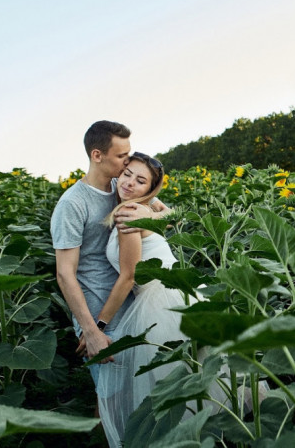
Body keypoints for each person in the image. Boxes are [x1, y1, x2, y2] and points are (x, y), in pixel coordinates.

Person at [50, 121, 167, 437]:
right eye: (121, 156)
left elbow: (165, 210)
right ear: (97, 155)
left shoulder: (122, 187)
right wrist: (92, 330)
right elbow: (65, 273)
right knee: (111, 397)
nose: (127, 163)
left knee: (140, 394)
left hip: (133, 308)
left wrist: (150, 217)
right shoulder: (73, 204)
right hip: (99, 315)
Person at [94, 152, 202, 446]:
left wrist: (99, 325)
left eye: (140, 181)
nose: (129, 183)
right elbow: (168, 213)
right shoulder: (141, 209)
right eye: (128, 174)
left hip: (160, 302)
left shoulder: (129, 213)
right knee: (187, 381)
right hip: (175, 294)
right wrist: (158, 214)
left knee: (169, 390)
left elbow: (127, 277)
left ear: (149, 190)